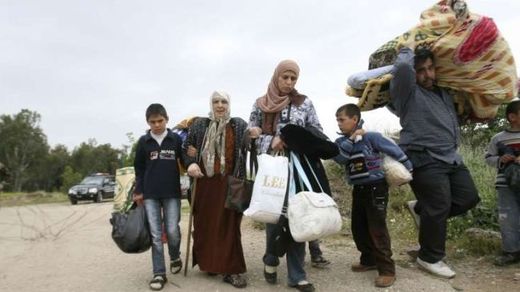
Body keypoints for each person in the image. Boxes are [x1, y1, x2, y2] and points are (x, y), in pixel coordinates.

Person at [390, 44, 480, 278]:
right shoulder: (407, 93)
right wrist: (408, 48)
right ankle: (429, 257)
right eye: (421, 70)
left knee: (468, 197)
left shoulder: (443, 93)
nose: (428, 74)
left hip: (450, 157)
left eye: (431, 68)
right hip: (423, 156)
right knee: (439, 205)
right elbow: (401, 68)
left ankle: (421, 209)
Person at [248, 59, 331, 292]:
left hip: (300, 169)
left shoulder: (304, 103)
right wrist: (269, 140)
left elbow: (318, 131)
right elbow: (250, 137)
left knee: (298, 217)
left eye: (293, 78)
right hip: (273, 169)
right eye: (285, 77)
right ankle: (271, 258)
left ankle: (297, 275)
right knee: (274, 216)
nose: (289, 82)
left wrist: (295, 137)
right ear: (276, 77)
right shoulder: (260, 104)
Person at [332, 103, 412, 287]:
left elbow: (395, 151)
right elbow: (341, 158)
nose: (339, 123)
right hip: (358, 189)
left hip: (376, 188)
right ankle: (368, 260)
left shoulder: (372, 138)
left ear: (355, 119)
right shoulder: (341, 143)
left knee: (377, 229)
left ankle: (387, 270)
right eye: (337, 120)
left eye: (342, 119)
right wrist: (352, 138)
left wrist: (408, 171)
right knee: (358, 228)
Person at [183, 91, 248, 288]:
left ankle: (231, 270)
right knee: (205, 225)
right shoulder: (200, 124)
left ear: (229, 104)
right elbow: (187, 148)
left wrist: (254, 135)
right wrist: (191, 163)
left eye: (224, 101)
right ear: (211, 104)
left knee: (229, 227)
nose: (220, 105)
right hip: (204, 184)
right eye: (215, 101)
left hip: (230, 183)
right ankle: (210, 263)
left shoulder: (238, 124)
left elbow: (249, 147)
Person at [133, 103, 184, 291]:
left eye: (160, 121)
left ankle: (175, 255)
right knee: (155, 235)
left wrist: (191, 156)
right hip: (150, 194)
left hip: (172, 192)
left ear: (167, 119)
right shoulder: (143, 142)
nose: (156, 125)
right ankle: (159, 273)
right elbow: (139, 168)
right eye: (152, 122)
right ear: (148, 122)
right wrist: (138, 190)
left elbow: (185, 160)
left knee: (172, 230)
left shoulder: (176, 139)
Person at [485, 100, 520, 266]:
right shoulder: (498, 138)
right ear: (512, 117)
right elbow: (488, 158)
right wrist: (500, 159)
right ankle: (511, 252)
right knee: (508, 217)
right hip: (505, 184)